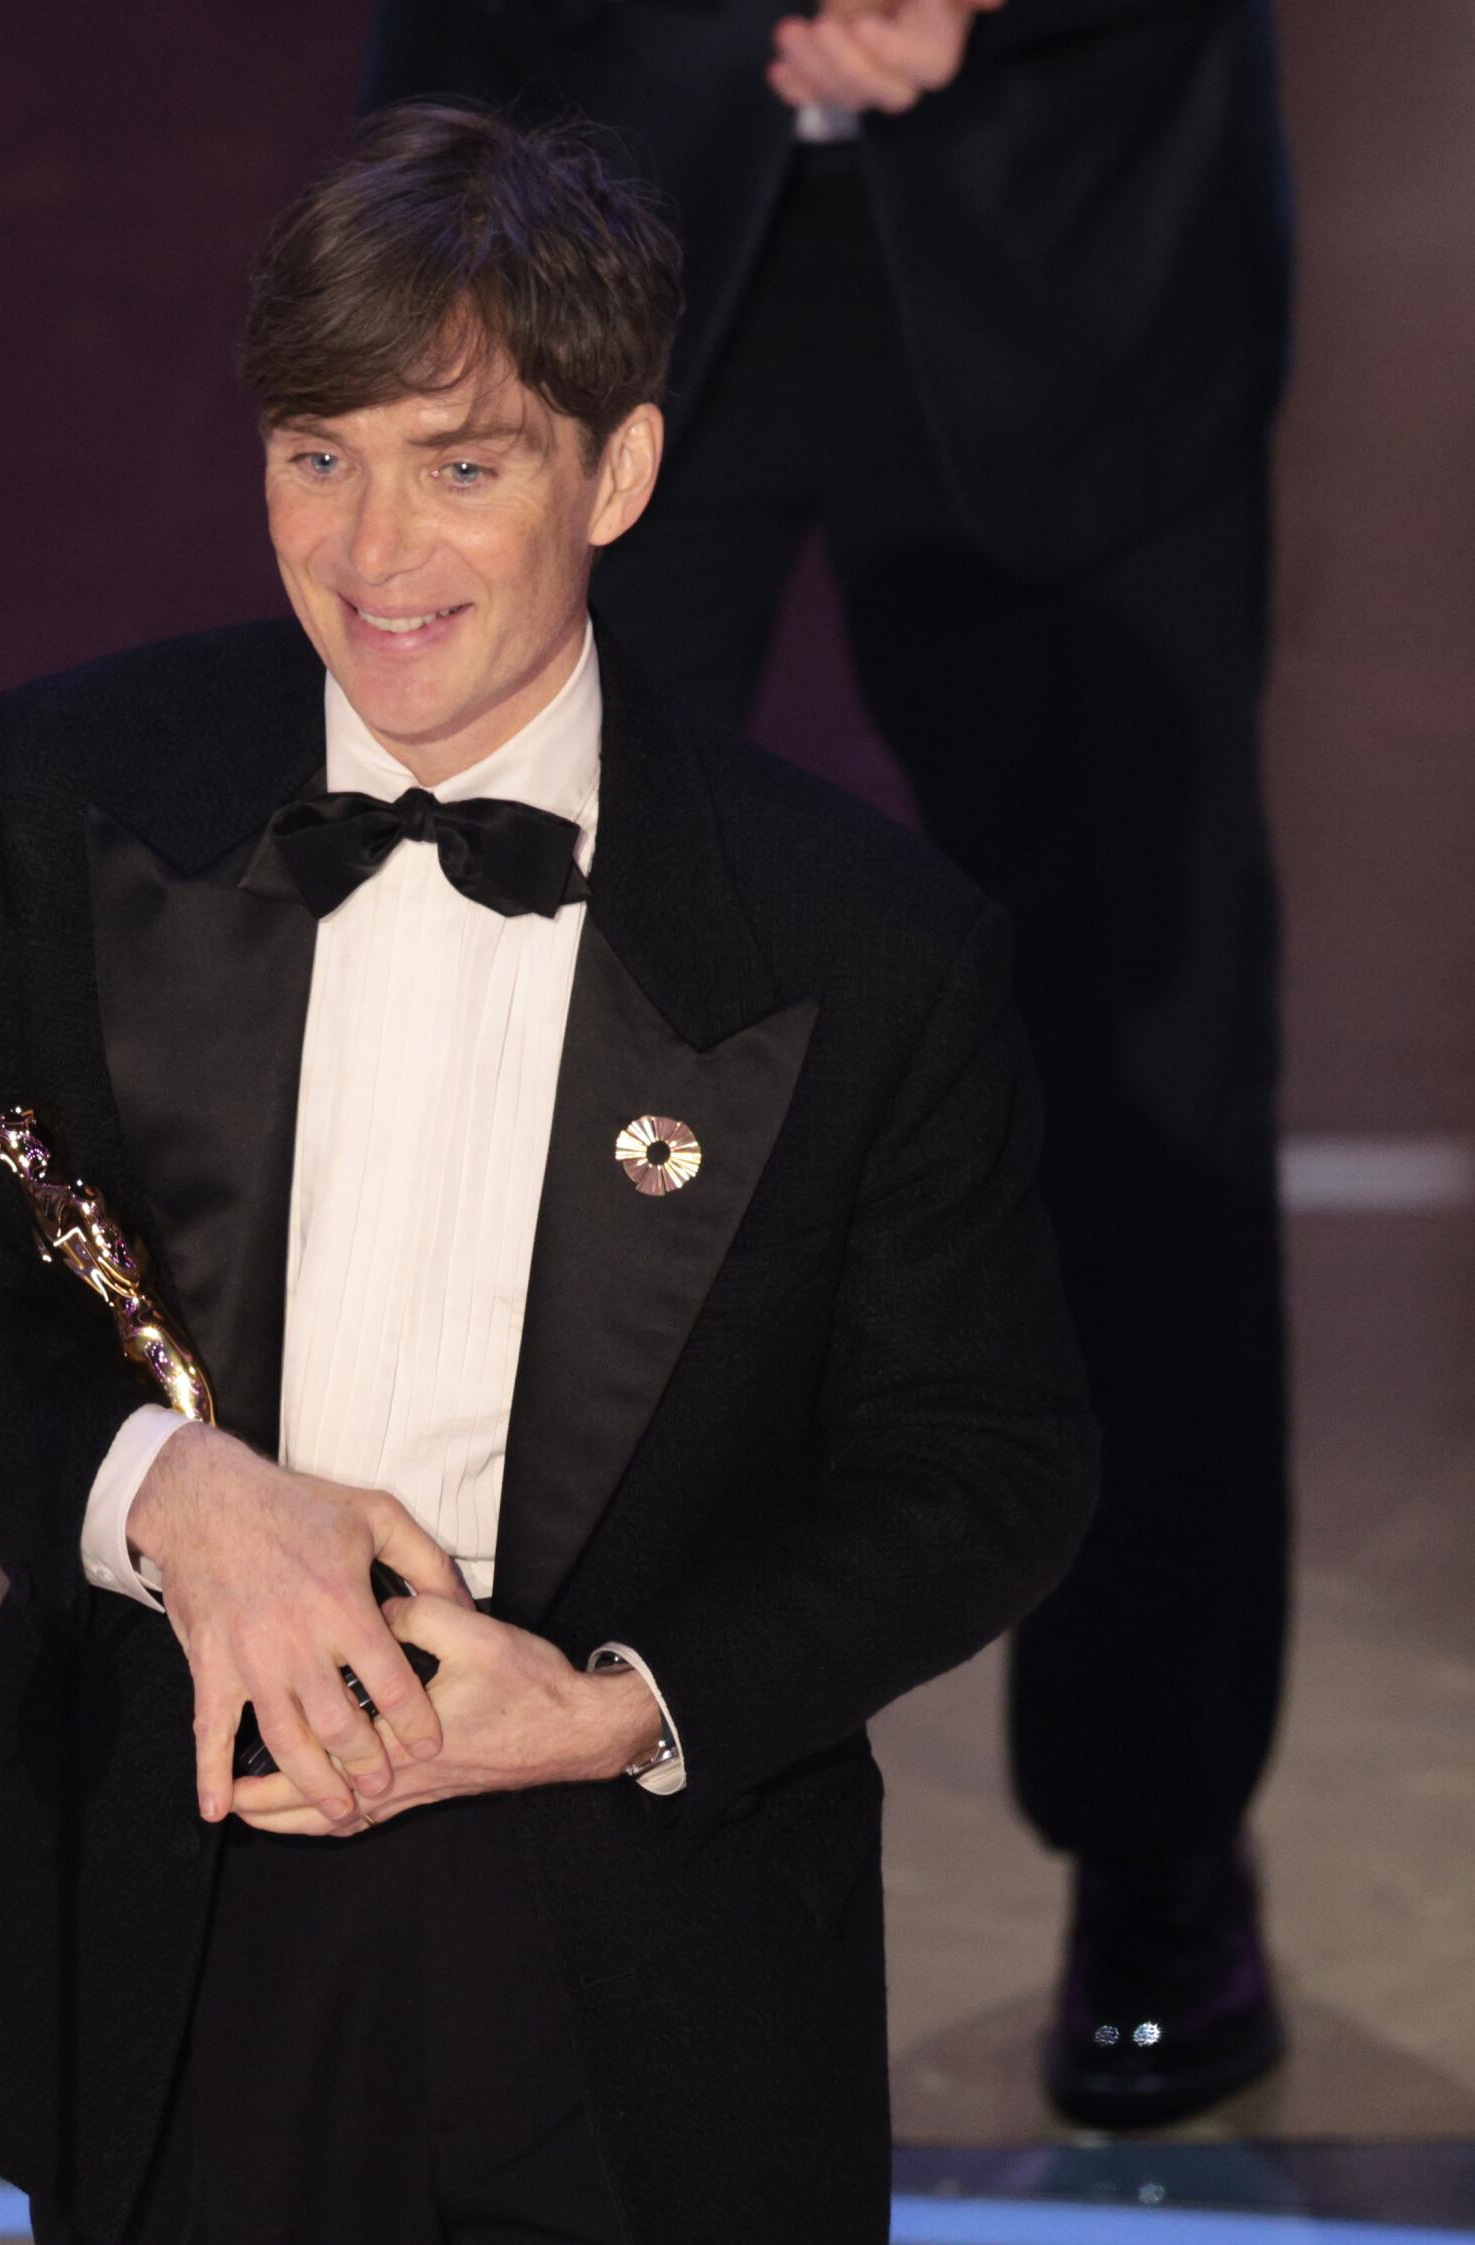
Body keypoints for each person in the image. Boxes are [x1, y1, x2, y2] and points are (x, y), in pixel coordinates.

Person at [0, 105, 1096, 2243]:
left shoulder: (865, 944)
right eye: (316, 452)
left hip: (629, 1955)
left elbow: (986, 1465)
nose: (370, 548)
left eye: (463, 460)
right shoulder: (61, 798)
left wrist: (623, 1710)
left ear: (621, 472)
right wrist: (166, 1504)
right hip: (171, 1897)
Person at [363, 0, 1294, 2127]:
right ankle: (477, 1809)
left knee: (1136, 1077)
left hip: (1071, 231)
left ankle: (1154, 1829)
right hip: (572, 165)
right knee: (490, 1042)